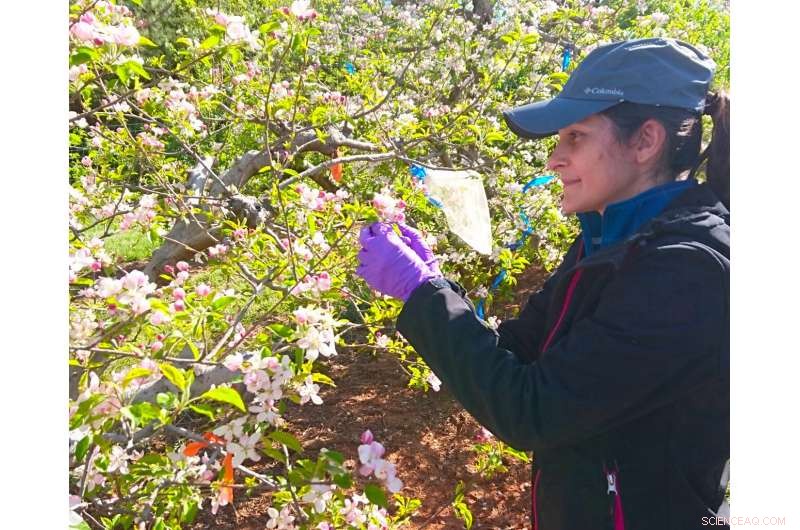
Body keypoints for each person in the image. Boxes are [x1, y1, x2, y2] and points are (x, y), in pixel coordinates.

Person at [356, 38, 729, 530]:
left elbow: (532, 409)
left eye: (576, 137)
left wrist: (420, 291)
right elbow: (519, 350)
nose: (555, 159)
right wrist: (434, 286)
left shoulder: (686, 269)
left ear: (645, 141)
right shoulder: (612, 239)